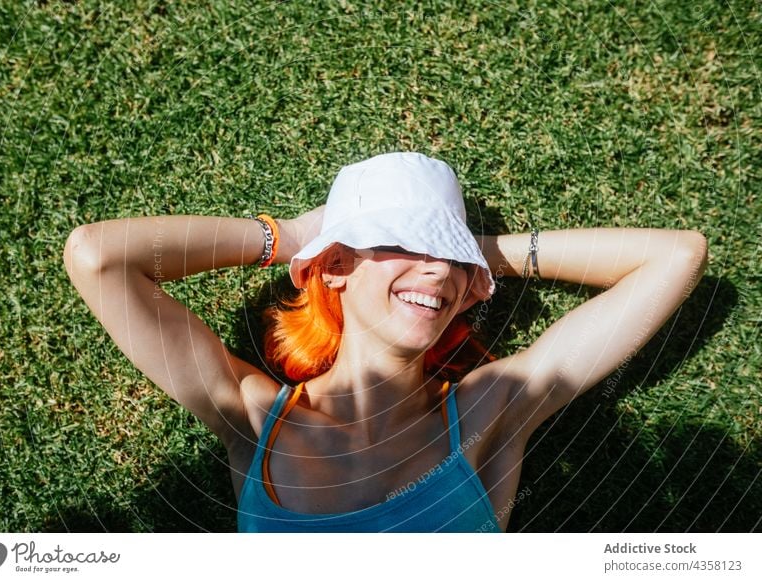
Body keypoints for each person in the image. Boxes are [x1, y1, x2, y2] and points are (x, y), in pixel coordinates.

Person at [63, 151, 707, 532]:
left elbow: (676, 257)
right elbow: (97, 258)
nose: (436, 269)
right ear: (335, 268)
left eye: (449, 260)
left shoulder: (490, 413)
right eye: (403, 243)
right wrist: (287, 238)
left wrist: (479, 254)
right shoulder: (252, 417)